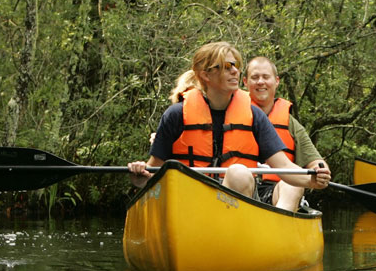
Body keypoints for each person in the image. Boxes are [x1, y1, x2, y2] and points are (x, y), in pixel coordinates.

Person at [127, 42, 331, 203]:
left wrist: (313, 180)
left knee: (239, 172)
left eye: (236, 66)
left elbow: (284, 166)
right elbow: (151, 172)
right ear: (206, 75)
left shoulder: (254, 115)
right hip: (188, 203)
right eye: (226, 67)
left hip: (234, 212)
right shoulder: (176, 115)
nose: (235, 71)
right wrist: (139, 175)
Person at [243, 56, 330, 211]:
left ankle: (278, 227)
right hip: (243, 189)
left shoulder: (290, 124)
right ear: (245, 82)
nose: (260, 82)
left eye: (266, 77)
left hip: (276, 191)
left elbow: (314, 160)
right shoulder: (231, 115)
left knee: (292, 185)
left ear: (276, 81)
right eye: (255, 77)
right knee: (238, 177)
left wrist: (319, 170)